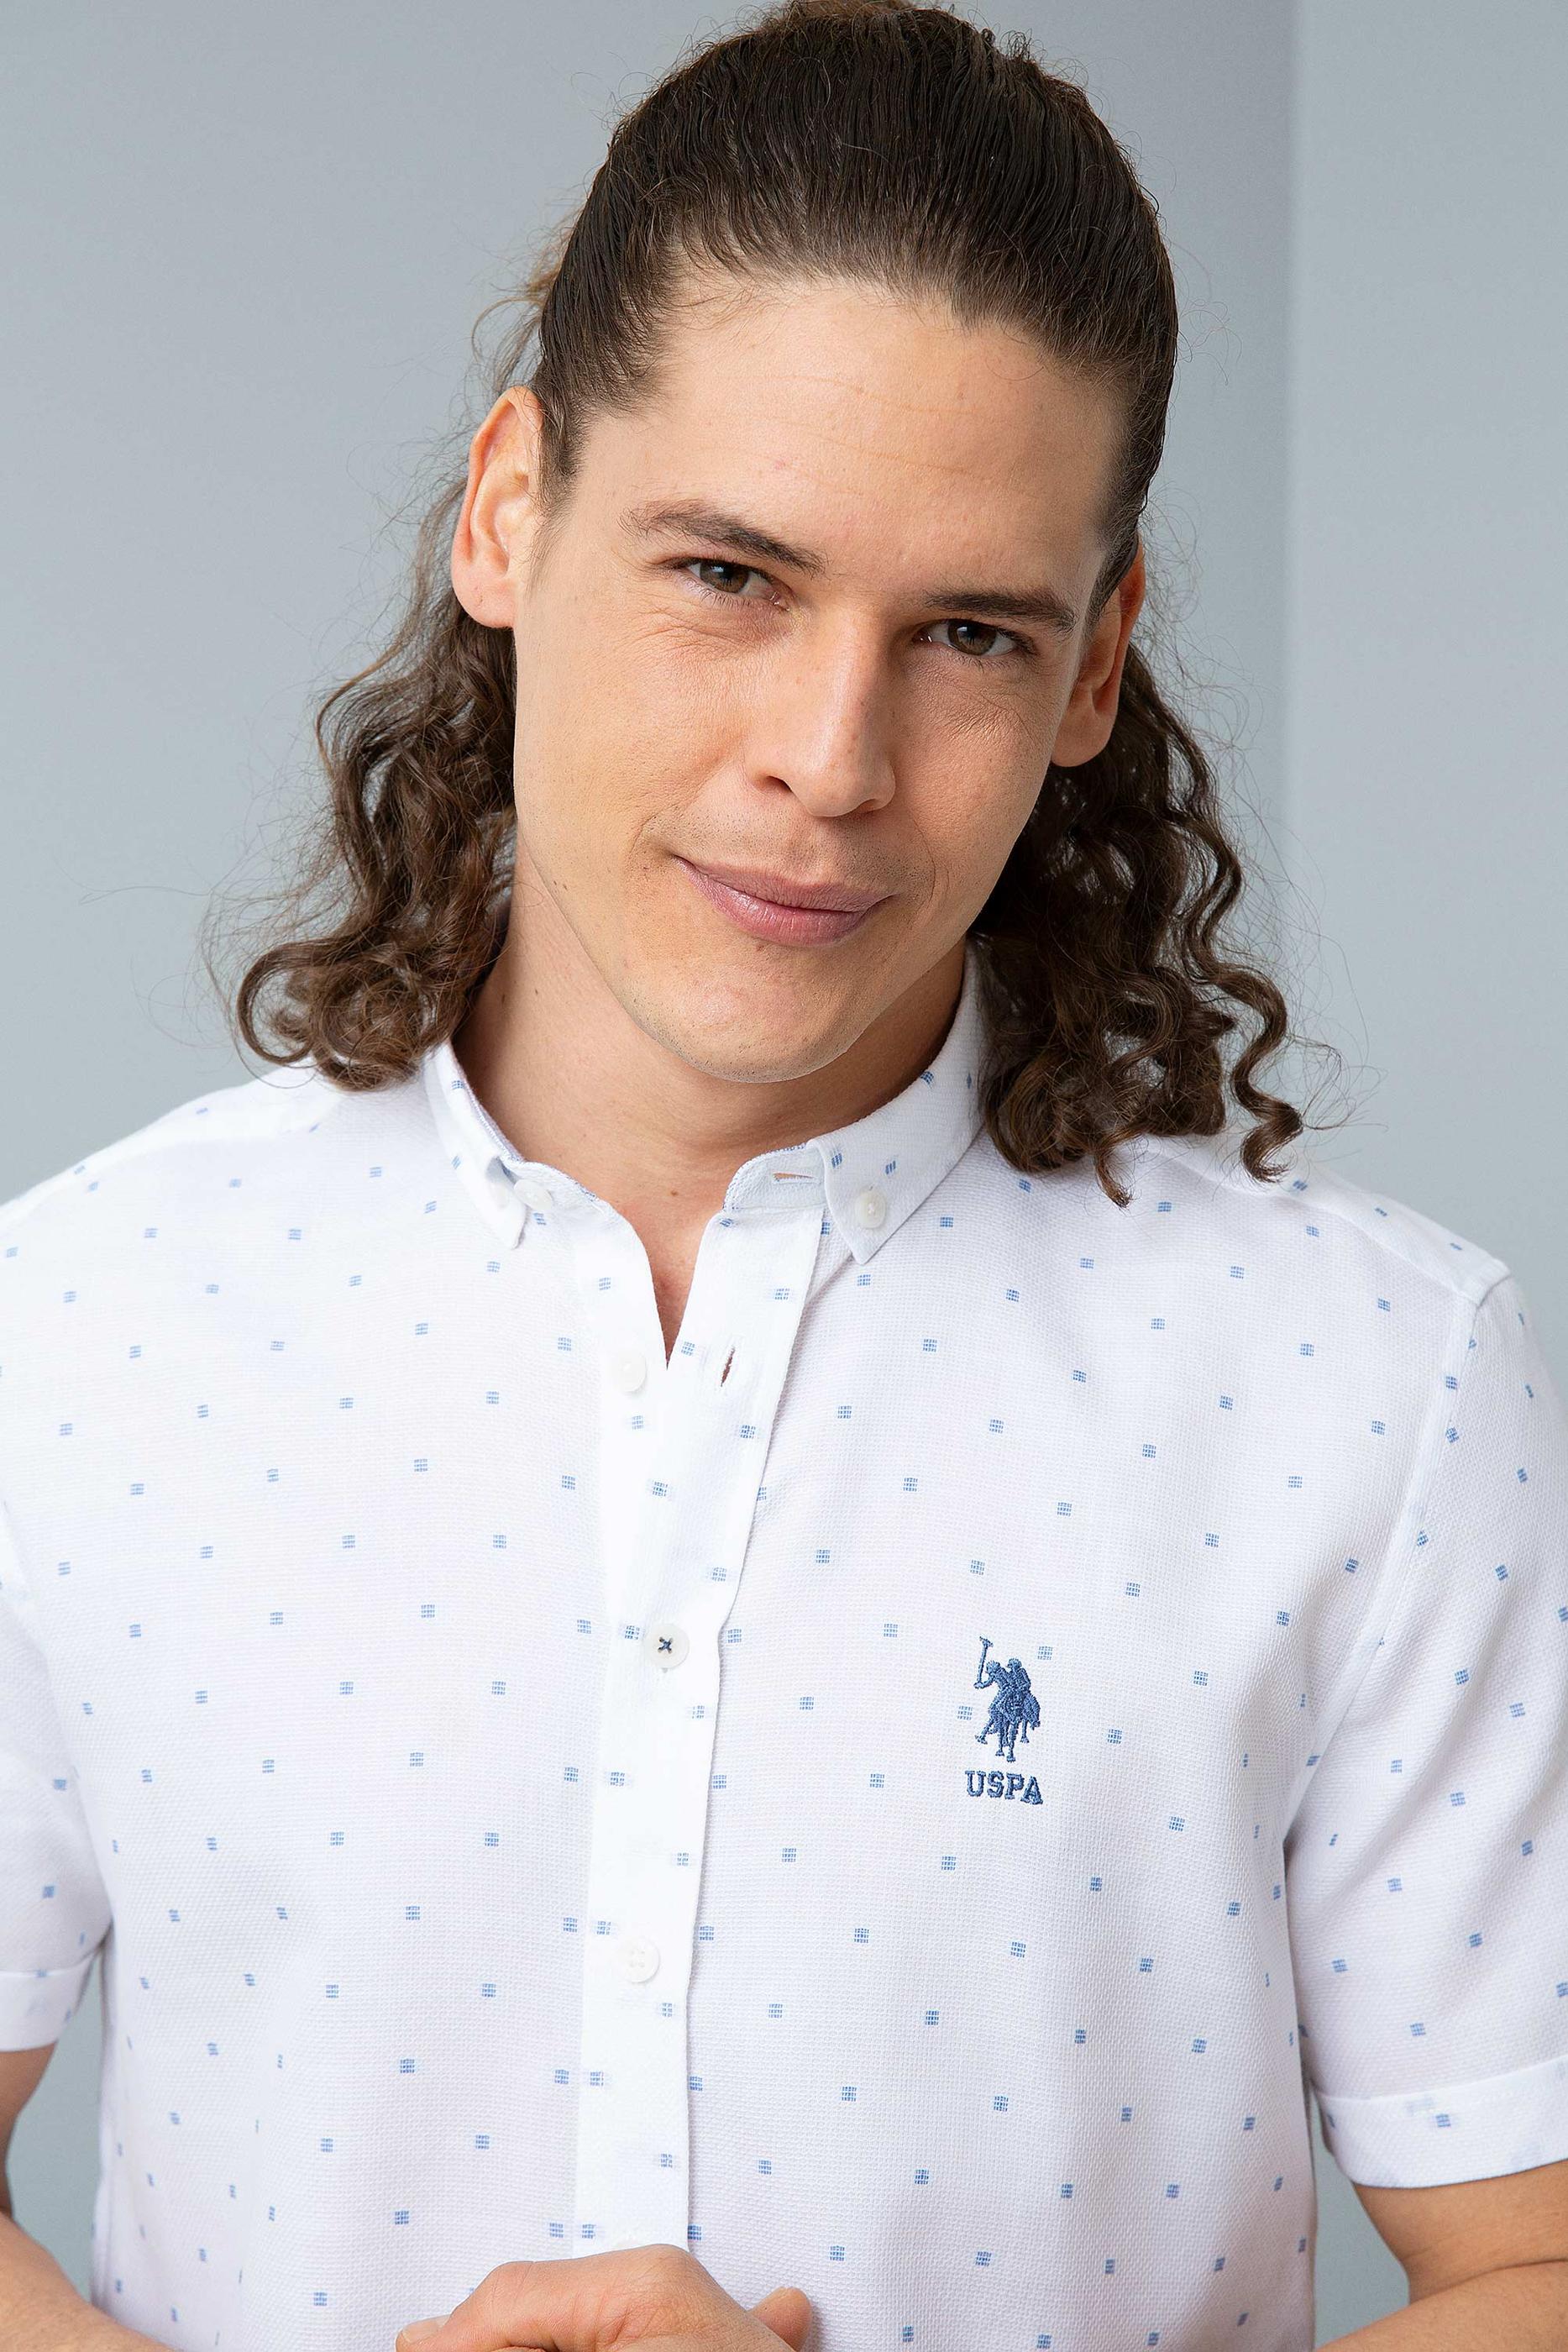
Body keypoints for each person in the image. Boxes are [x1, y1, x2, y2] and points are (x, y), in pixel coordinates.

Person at [3, 2, 1565, 2348]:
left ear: (1095, 668)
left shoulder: (1370, 1385)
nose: (831, 762)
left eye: (967, 632)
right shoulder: (80, 1328)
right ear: (509, 508)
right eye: (730, 574)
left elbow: (1537, 2261)